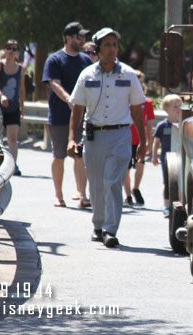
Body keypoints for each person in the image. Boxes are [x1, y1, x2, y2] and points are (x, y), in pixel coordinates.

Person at [67, 27, 146, 248]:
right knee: (96, 184)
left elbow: (138, 110)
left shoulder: (129, 74)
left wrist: (143, 142)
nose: (112, 49)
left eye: (115, 45)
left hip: (120, 135)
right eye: (107, 45)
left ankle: (111, 230)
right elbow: (78, 108)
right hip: (93, 136)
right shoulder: (87, 75)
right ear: (98, 49)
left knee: (113, 182)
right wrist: (72, 138)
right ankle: (99, 225)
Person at [42, 22, 93, 207]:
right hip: (59, 114)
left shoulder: (86, 60)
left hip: (81, 116)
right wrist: (69, 99)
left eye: (84, 37)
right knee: (59, 155)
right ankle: (58, 195)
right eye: (80, 37)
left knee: (80, 154)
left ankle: (82, 194)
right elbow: (54, 83)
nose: (82, 41)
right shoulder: (55, 59)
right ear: (69, 38)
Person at [0, 40, 25, 175]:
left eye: (14, 48)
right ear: (4, 50)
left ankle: (12, 166)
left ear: (17, 52)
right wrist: (1, 95)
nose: (11, 51)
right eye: (8, 48)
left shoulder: (20, 69)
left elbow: (21, 89)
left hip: (13, 107)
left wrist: (22, 107)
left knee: (12, 137)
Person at [123, 70, 154, 207]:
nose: (139, 85)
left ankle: (136, 188)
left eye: (141, 82)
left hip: (139, 140)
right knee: (126, 168)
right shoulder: (123, 101)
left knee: (140, 165)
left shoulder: (147, 102)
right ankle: (128, 195)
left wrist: (148, 142)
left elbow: (149, 124)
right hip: (125, 139)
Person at [152, 94, 182, 217]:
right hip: (166, 158)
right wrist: (154, 156)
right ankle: (166, 206)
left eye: (179, 106)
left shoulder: (182, 124)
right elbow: (156, 142)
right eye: (175, 106)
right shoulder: (162, 125)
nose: (178, 109)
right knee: (167, 182)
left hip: (179, 157)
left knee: (179, 182)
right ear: (166, 109)